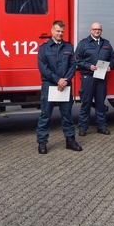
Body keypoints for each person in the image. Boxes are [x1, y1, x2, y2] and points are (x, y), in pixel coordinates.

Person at [36, 20, 82, 154]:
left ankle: (70, 140)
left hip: (65, 85)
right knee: (45, 115)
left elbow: (73, 65)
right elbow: (43, 68)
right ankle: (42, 142)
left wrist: (65, 80)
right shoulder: (44, 48)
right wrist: (58, 80)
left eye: (62, 31)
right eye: (57, 30)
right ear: (52, 31)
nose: (60, 33)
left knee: (67, 114)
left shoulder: (68, 47)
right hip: (49, 85)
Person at [75, 22, 114, 136]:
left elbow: (113, 58)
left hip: (101, 78)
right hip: (88, 77)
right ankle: (83, 127)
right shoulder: (83, 43)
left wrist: (110, 66)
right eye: (94, 29)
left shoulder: (106, 44)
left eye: (99, 29)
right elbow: (77, 59)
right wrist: (89, 66)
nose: (97, 31)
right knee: (86, 103)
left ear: (101, 31)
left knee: (100, 104)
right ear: (91, 30)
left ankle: (101, 126)